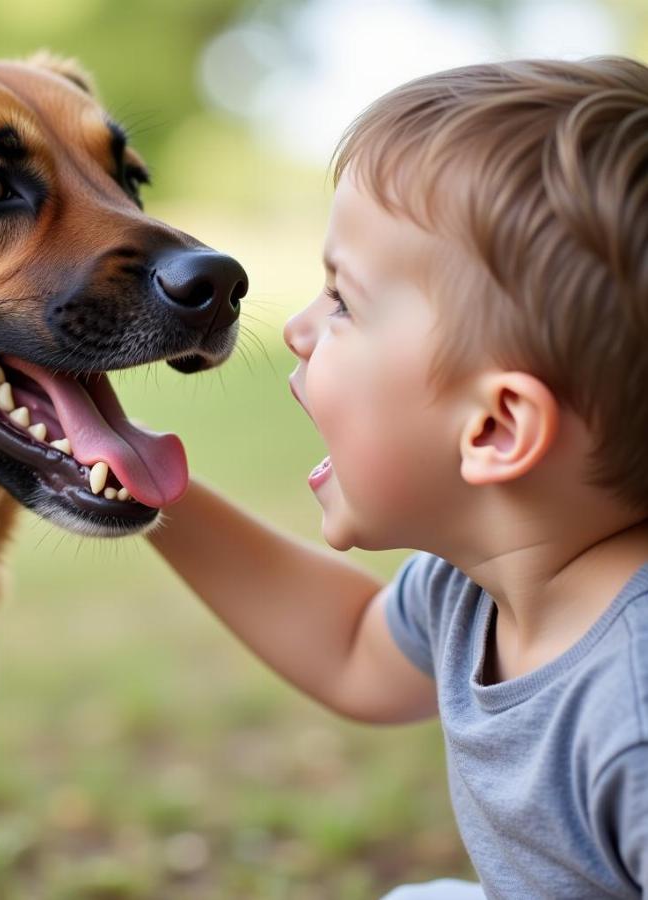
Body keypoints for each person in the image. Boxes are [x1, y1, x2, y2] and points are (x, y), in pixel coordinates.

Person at [148, 57, 648, 899]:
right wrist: (149, 491)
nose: (300, 328)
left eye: (343, 301)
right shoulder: (477, 589)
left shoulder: (629, 712)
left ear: (494, 429)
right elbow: (352, 649)